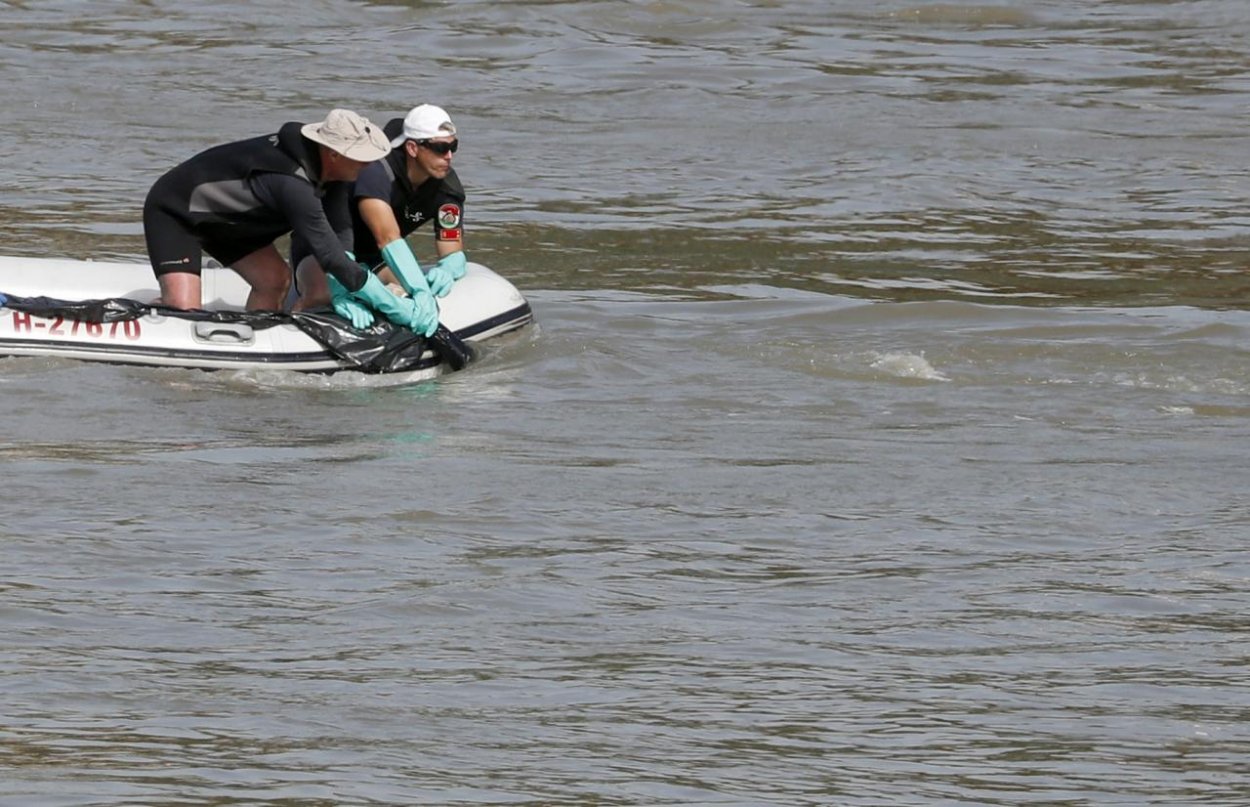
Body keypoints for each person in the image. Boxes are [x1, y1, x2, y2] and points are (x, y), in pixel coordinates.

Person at [142, 108, 433, 334]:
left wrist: (345, 291)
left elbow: (341, 239)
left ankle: (253, 346)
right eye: (361, 158)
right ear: (333, 154)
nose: (368, 165)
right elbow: (329, 256)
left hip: (230, 224)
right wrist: (390, 304)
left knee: (274, 280)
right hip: (177, 212)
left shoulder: (336, 175)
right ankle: (154, 315)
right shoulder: (292, 183)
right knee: (185, 312)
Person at [290, 103, 468, 332]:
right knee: (321, 294)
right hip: (325, 252)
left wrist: (449, 268)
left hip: (374, 259)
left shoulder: (448, 190)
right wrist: (420, 290)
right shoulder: (376, 171)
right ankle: (292, 324)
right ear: (413, 148)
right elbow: (387, 237)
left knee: (407, 290)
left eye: (454, 146)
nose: (449, 156)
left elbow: (451, 249)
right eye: (440, 148)